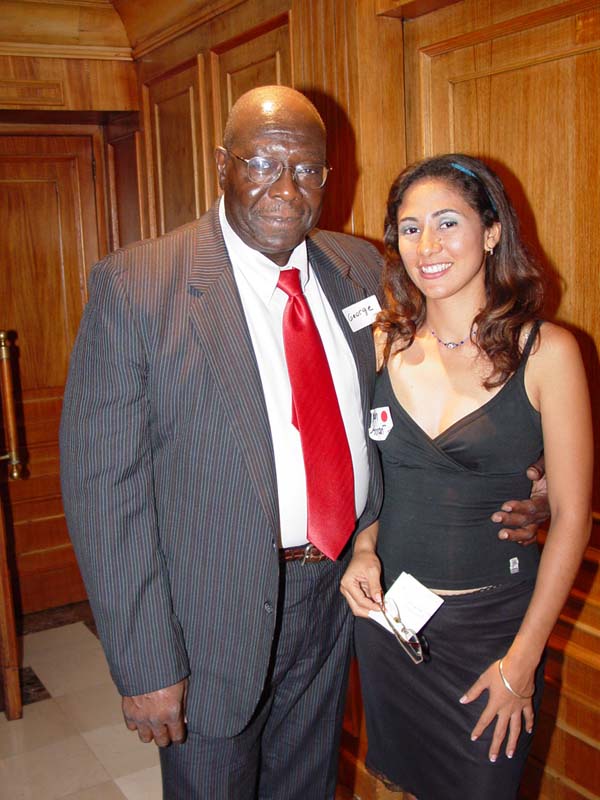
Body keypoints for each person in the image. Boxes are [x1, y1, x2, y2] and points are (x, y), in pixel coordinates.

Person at [60, 86, 546, 800]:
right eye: (261, 162)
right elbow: (104, 493)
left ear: (329, 175)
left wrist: (530, 476)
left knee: (308, 784)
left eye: (307, 169)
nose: (286, 189)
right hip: (211, 613)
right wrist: (145, 662)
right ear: (222, 164)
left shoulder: (362, 268)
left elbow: (437, 388)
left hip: (339, 593)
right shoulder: (138, 288)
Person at [340, 154, 593, 800]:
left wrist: (522, 663)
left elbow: (571, 516)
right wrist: (364, 549)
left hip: (495, 637)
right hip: (395, 629)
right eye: (410, 228)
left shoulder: (549, 354)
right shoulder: (382, 347)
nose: (427, 245)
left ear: (492, 232)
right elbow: (369, 477)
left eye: (448, 222)